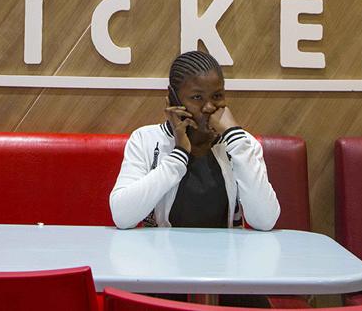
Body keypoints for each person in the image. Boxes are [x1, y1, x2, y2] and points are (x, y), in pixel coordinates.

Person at [109, 50, 280, 307]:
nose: (209, 107)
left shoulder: (241, 145)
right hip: (160, 276)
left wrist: (237, 140)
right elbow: (122, 216)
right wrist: (179, 155)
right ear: (173, 99)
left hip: (228, 278)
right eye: (197, 97)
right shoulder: (145, 140)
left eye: (217, 97)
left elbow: (265, 220)